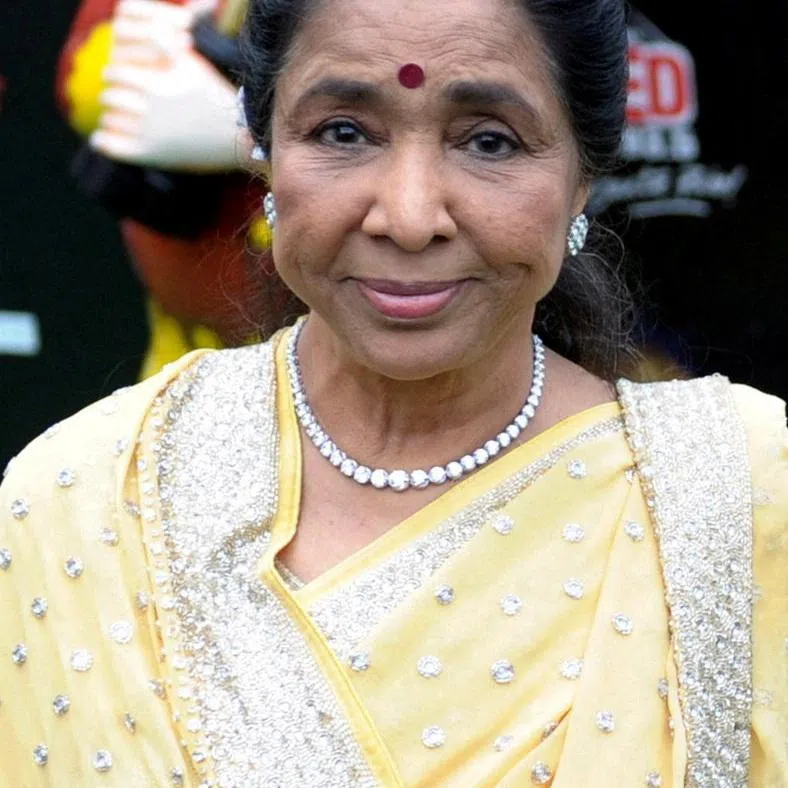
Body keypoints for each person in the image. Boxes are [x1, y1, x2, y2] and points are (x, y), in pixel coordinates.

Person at [1, 0, 785, 784]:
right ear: (263, 151)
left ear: (584, 173)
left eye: (488, 141)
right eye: (344, 132)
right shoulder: (86, 502)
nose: (410, 218)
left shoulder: (737, 494)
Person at [56, 0, 281, 379]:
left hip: (310, 336)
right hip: (182, 347)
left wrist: (252, 141)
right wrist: (158, 52)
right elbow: (80, 80)